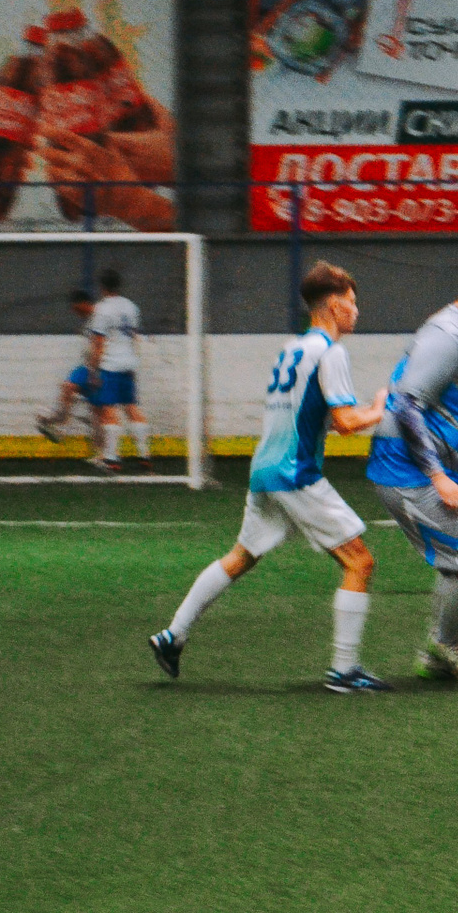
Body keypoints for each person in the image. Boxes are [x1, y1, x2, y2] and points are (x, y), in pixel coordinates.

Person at [150, 262, 389, 692]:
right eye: (352, 302)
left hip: (264, 468)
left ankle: (173, 635)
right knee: (360, 562)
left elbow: (315, 414)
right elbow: (346, 422)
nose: (357, 310)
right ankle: (344, 670)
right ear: (334, 305)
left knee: (241, 556)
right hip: (295, 472)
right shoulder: (331, 352)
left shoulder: (291, 348)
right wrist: (379, 409)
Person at [365, 250, 458, 685]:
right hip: (407, 469)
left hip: (455, 466)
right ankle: (444, 642)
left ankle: (436, 656)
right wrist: (436, 477)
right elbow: (406, 405)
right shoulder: (446, 337)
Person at [84, 268, 151, 473]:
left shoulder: (102, 310)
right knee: (132, 408)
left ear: (102, 287)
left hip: (111, 365)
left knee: (109, 409)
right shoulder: (131, 307)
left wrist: (93, 370)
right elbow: (133, 336)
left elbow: (98, 343)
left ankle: (112, 459)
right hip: (129, 363)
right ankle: (144, 456)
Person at [36, 288, 102, 453]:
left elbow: (101, 345)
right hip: (87, 366)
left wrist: (96, 369)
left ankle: (100, 453)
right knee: (68, 386)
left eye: (77, 309)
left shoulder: (101, 318)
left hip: (100, 368)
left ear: (84, 303)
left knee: (97, 412)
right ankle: (60, 422)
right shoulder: (89, 322)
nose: (77, 313)